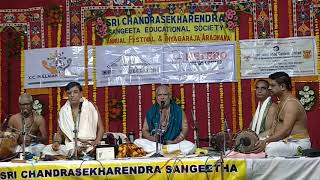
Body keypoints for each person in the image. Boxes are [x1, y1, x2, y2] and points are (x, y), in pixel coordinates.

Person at [253, 72, 310, 157]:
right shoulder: (281, 103)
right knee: (254, 144)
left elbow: (285, 131)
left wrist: (265, 141)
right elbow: (273, 129)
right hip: (285, 142)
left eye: (272, 85)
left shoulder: (291, 104)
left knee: (270, 147)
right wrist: (257, 138)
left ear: (282, 86)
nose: (269, 88)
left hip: (299, 144)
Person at [43, 81, 104, 157]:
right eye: (69, 93)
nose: (72, 95)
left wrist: (96, 141)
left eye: (75, 92)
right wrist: (56, 142)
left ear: (81, 93)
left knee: (91, 149)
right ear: (67, 95)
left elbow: (101, 128)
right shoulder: (63, 111)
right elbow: (59, 132)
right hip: (71, 145)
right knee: (47, 150)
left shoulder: (91, 106)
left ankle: (80, 153)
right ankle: (76, 152)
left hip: (89, 144)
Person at [134, 85, 195, 155]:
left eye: (165, 94)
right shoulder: (151, 111)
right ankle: (164, 150)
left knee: (189, 145)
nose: (162, 97)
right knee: (137, 141)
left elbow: (185, 128)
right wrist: (154, 139)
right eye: (159, 95)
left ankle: (161, 151)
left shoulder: (178, 110)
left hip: (173, 143)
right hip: (156, 144)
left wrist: (175, 141)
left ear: (170, 96)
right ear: (156, 97)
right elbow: (145, 130)